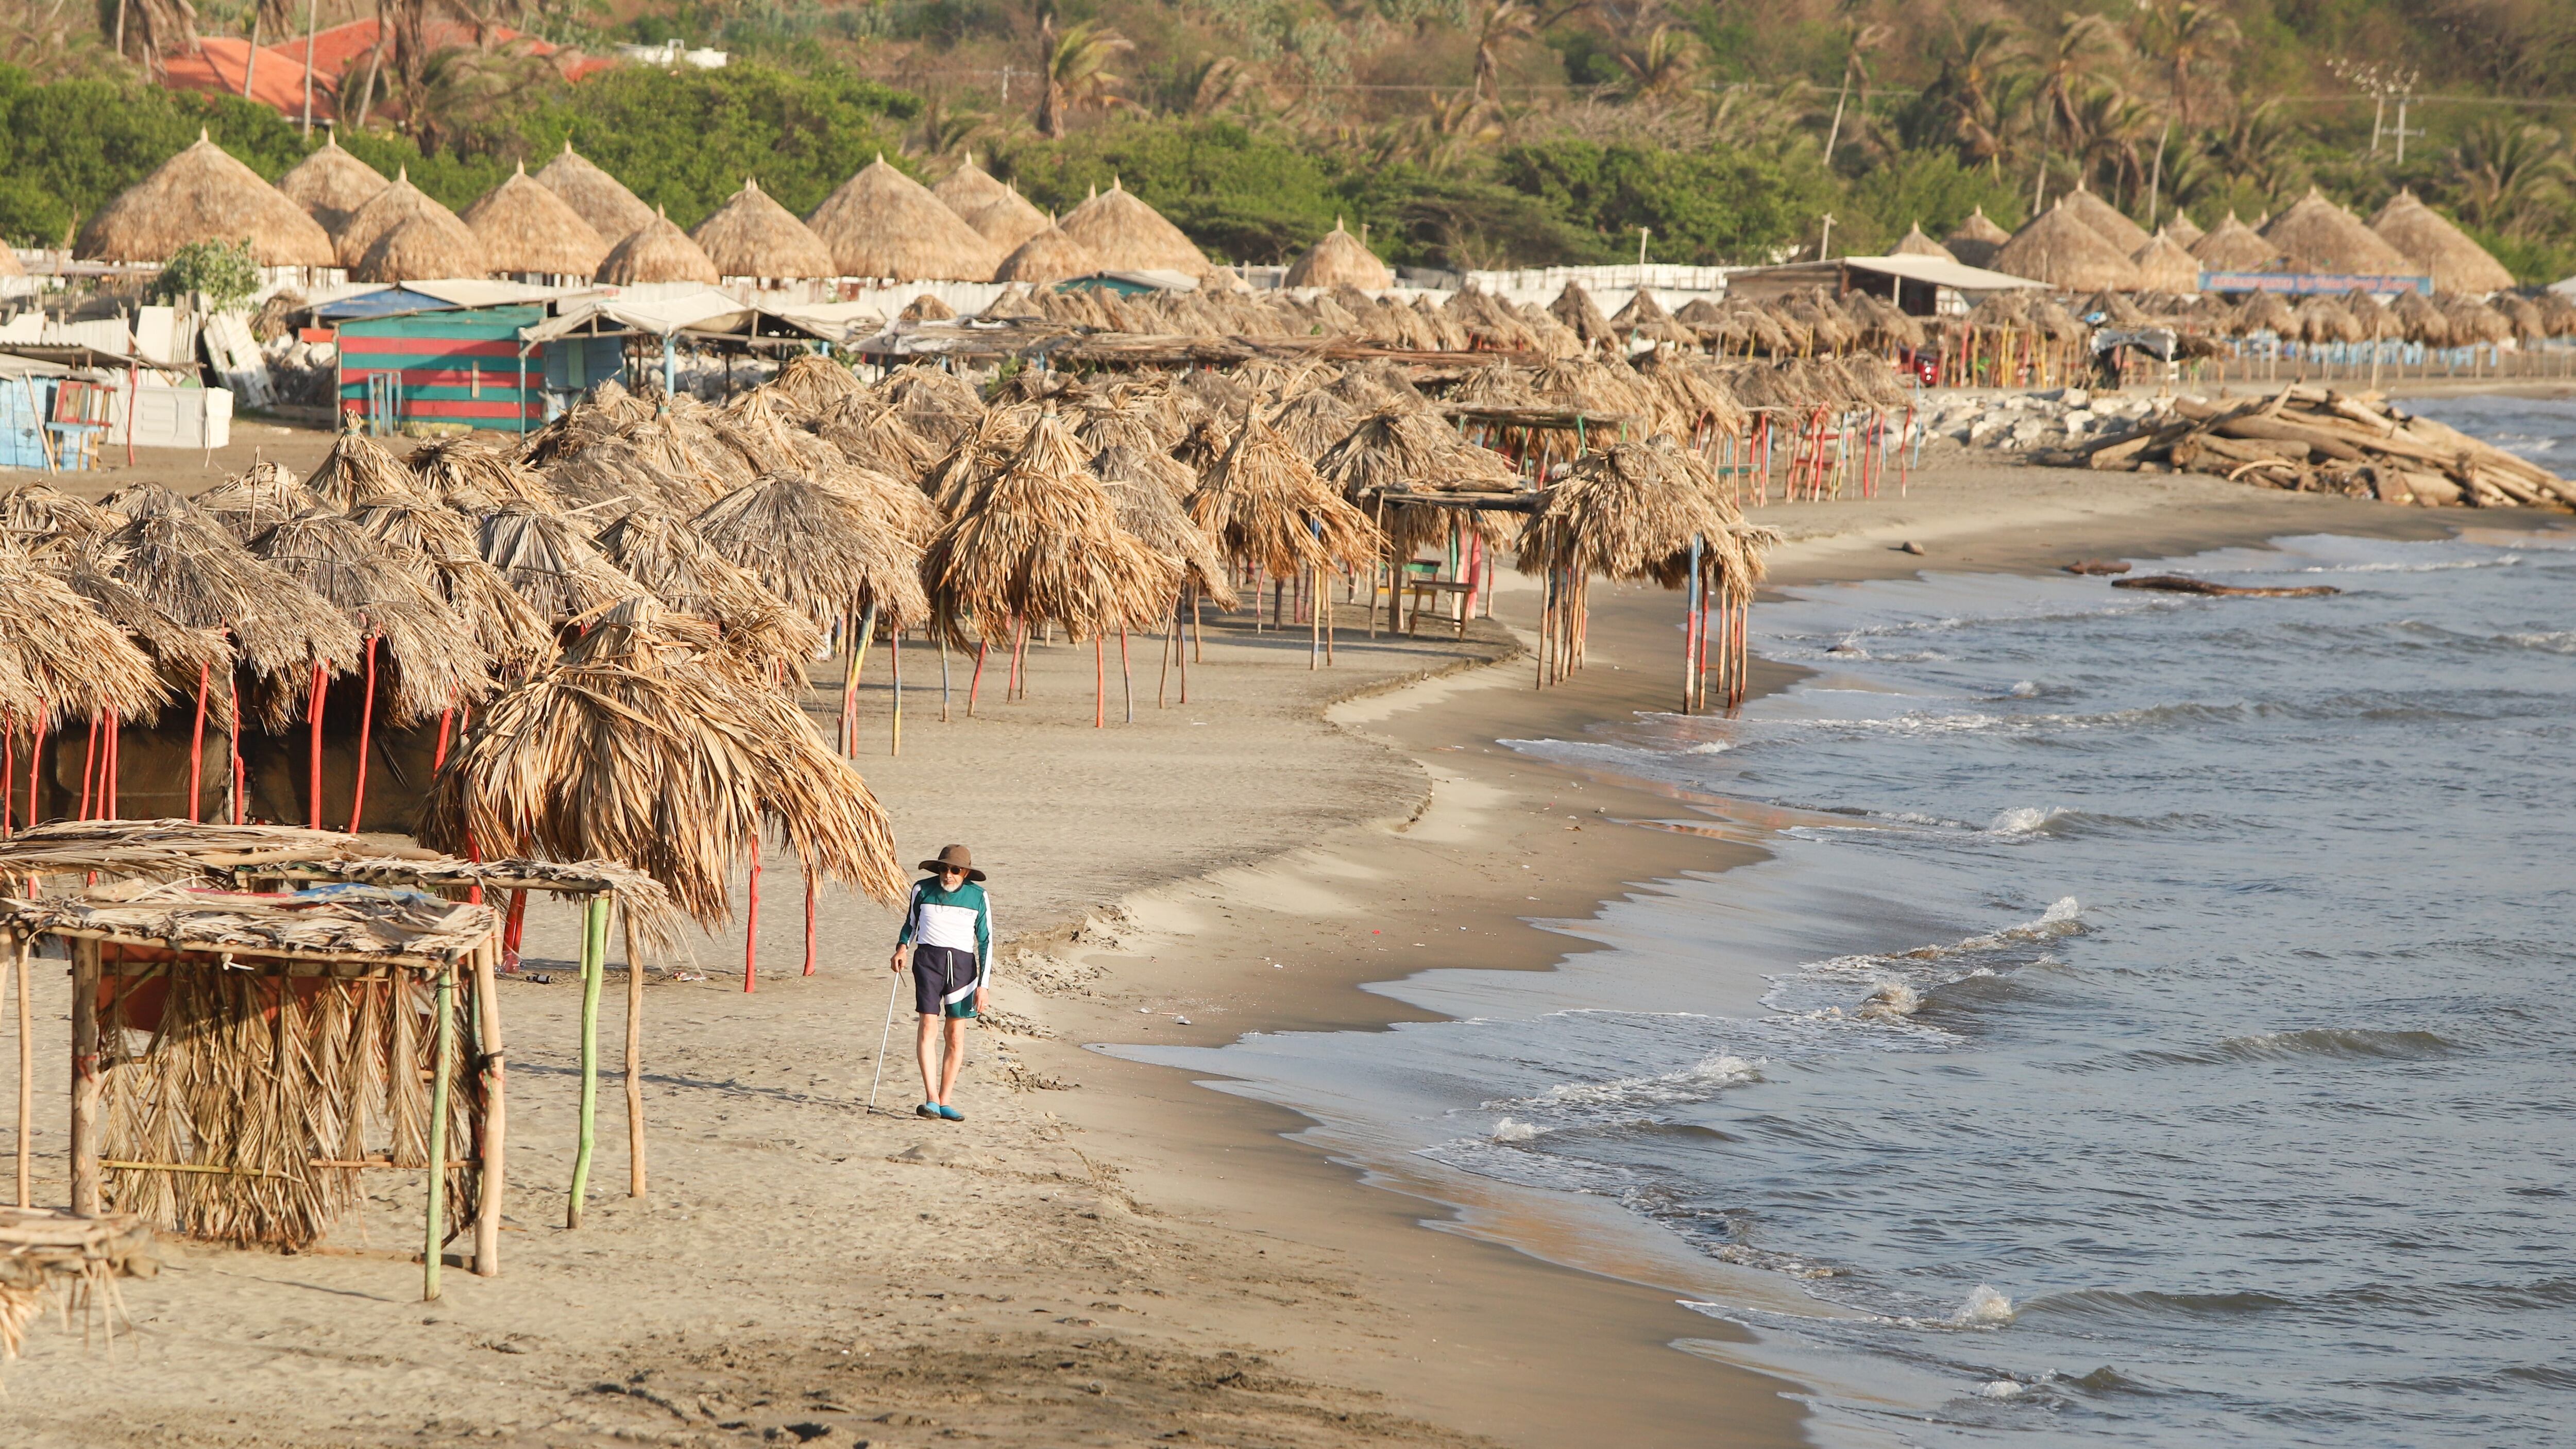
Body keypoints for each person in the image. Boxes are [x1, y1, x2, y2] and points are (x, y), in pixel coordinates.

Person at [888, 844, 992, 1122]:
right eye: (944, 868)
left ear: (966, 872)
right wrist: (902, 948)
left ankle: (946, 1101)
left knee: (955, 1035)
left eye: (955, 870)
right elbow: (911, 924)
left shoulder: (978, 896)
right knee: (928, 1026)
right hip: (928, 964)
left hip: (963, 968)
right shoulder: (922, 890)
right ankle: (932, 1099)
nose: (948, 874)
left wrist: (983, 986)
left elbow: (986, 942)